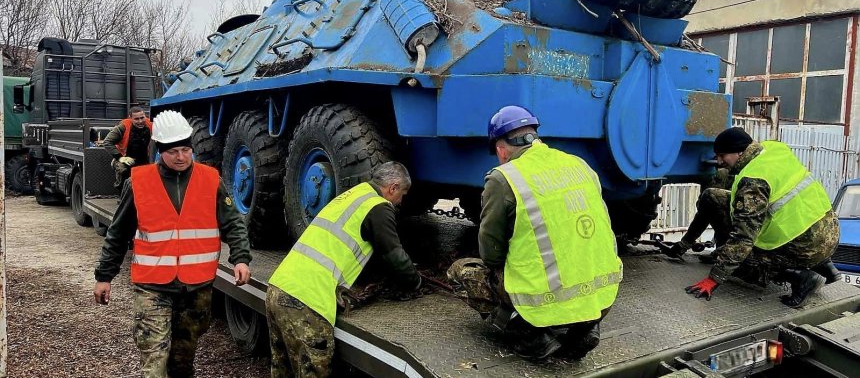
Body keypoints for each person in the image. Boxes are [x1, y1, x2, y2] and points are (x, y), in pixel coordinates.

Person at [447, 105, 622, 361]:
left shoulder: (504, 178)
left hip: (542, 304)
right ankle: (584, 328)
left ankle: (532, 336)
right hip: (602, 295)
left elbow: (491, 254)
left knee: (462, 271)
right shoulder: (579, 165)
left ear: (500, 149)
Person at [93, 110, 252, 378]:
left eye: (185, 150)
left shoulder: (211, 180)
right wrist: (104, 276)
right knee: (154, 363)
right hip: (152, 287)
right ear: (159, 151)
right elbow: (118, 234)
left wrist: (241, 258)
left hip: (196, 287)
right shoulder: (138, 183)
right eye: (173, 151)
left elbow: (233, 223)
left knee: (182, 362)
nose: (181, 157)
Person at [266, 161, 422, 378]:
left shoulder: (354, 194)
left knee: (282, 371)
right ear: (393, 188)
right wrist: (415, 282)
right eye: (402, 194)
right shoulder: (378, 206)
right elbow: (394, 255)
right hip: (307, 302)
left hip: (278, 288)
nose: (400, 201)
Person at [685, 127, 841, 307]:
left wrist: (715, 278)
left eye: (722, 155)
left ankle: (802, 277)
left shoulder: (753, 181)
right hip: (828, 233)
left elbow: (743, 238)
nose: (719, 161)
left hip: (804, 246)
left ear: (739, 151)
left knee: (738, 261)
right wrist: (685, 243)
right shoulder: (774, 150)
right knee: (714, 197)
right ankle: (825, 266)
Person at [103, 106, 153, 188]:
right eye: (136, 119)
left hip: (145, 159)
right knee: (123, 169)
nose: (140, 121)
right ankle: (122, 192)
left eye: (142, 118)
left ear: (145, 116)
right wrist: (120, 157)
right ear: (130, 118)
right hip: (126, 158)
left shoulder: (150, 125)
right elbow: (107, 142)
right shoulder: (123, 127)